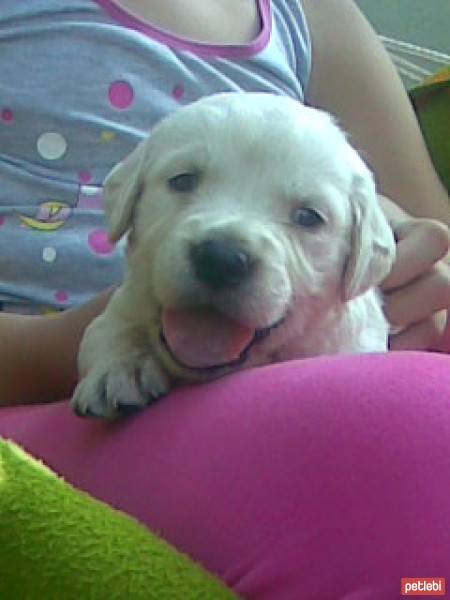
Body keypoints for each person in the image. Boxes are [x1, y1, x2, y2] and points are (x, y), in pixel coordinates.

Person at [0, 1, 449, 597]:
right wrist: (98, 337)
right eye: (185, 183)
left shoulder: (312, 14)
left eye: (307, 217)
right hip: (49, 422)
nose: (226, 249)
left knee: (425, 563)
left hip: (340, 415)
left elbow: (434, 241)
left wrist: (411, 256)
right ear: (127, 199)